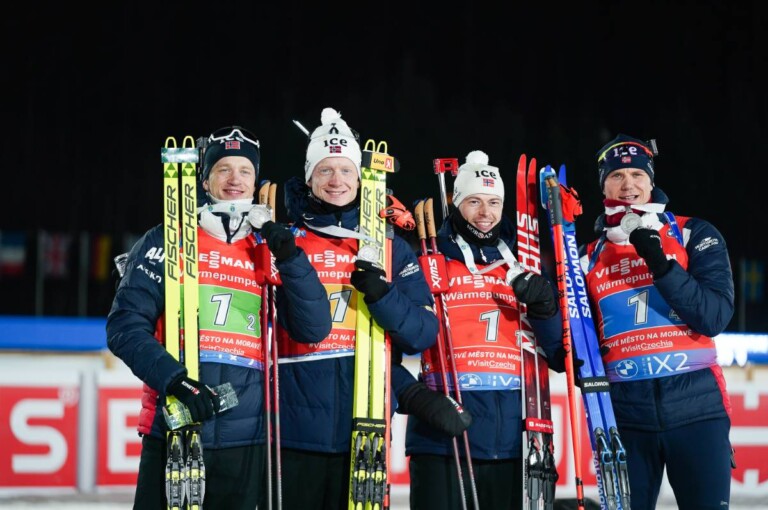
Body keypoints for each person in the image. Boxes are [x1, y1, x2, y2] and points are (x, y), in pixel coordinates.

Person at [106, 126, 332, 510]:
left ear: (255, 181)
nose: (234, 179)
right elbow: (125, 326)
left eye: (244, 170)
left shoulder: (268, 245)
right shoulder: (167, 239)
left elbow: (313, 328)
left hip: (246, 441)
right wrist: (175, 381)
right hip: (173, 426)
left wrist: (291, 258)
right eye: (223, 169)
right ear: (205, 180)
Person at [275, 107, 462, 509]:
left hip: (367, 428)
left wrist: (382, 294)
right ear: (309, 177)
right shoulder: (286, 241)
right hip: (294, 432)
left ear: (361, 178)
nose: (336, 180)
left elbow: (422, 334)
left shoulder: (390, 246)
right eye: (325, 170)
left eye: (346, 170)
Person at [403, 150, 564, 509]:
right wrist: (417, 398)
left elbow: (559, 356)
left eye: (494, 202)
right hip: (441, 439)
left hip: (512, 442)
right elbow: (401, 341)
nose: (485, 213)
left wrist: (546, 306)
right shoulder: (430, 262)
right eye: (474, 201)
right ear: (456, 203)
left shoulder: (524, 263)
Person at [582, 133, 735, 509]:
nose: (628, 184)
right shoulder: (586, 258)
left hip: (696, 411)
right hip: (625, 419)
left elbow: (713, 317)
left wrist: (661, 265)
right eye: (617, 175)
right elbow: (572, 347)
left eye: (637, 173)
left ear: (651, 181)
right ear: (603, 186)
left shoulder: (693, 233)